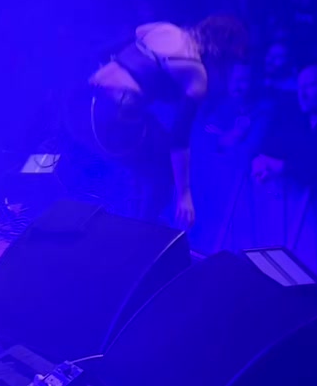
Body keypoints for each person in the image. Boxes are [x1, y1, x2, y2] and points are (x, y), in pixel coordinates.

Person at [68, 15, 247, 228]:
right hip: (110, 119)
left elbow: (114, 48)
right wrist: (184, 195)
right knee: (165, 168)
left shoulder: (163, 29)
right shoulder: (197, 74)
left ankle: (126, 213)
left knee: (148, 149)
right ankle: (141, 231)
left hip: (80, 102)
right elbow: (179, 138)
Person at [252, 64, 317, 188]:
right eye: (299, 88)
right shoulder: (294, 122)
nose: (302, 95)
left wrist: (282, 167)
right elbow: (271, 152)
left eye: (310, 86)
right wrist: (262, 165)